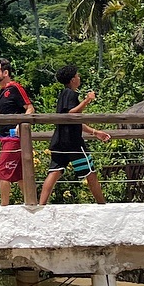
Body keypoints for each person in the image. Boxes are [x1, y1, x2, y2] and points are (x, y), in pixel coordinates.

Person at [38, 65, 108, 205]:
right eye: (77, 76)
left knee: (55, 171)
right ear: (72, 80)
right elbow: (71, 115)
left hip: (59, 141)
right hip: (73, 143)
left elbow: (71, 121)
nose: (79, 78)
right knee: (90, 172)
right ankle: (102, 205)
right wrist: (87, 100)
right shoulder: (71, 94)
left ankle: (41, 205)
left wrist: (94, 132)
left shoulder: (63, 95)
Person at [0, 59, 33, 205]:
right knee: (19, 175)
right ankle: (31, 203)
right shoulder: (0, 92)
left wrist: (21, 125)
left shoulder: (15, 88)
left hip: (13, 138)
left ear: (6, 72)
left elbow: (29, 108)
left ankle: (4, 207)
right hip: (3, 138)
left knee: (2, 173)